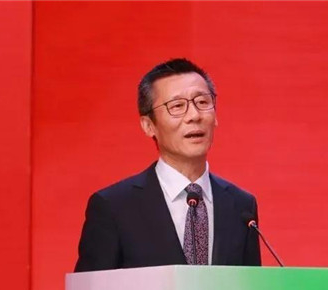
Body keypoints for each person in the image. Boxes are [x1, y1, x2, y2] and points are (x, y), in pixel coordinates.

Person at [74, 58, 261, 272]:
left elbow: (250, 289)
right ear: (148, 125)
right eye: (177, 106)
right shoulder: (113, 207)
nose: (194, 116)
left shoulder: (241, 206)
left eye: (202, 102)